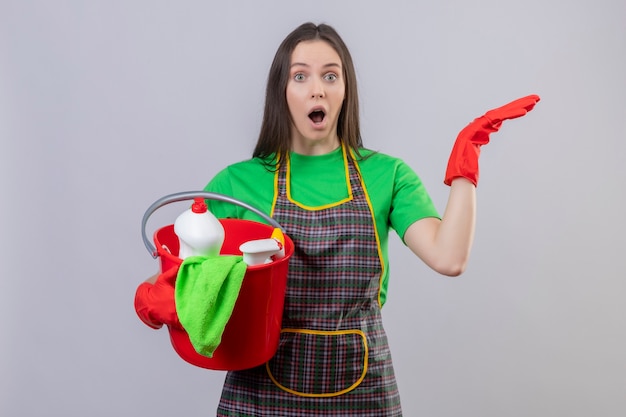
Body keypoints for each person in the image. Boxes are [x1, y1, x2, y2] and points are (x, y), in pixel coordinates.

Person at [135, 22, 540, 416]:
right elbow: (185, 275)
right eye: (300, 76)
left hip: (364, 394)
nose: (317, 89)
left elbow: (448, 258)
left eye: (331, 75)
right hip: (260, 396)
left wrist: (465, 166)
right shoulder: (236, 184)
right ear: (282, 90)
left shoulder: (388, 175)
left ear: (345, 90)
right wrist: (159, 295)